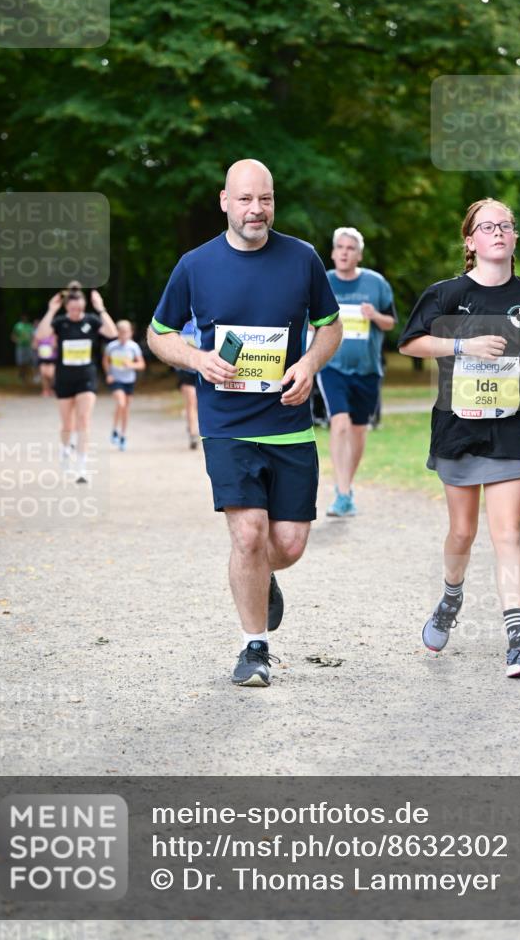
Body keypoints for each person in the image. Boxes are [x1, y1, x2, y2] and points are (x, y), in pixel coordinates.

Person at [148, 158, 341, 688]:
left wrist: (308, 364)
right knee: (249, 533)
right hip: (227, 424)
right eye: (246, 199)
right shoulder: (195, 265)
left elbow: (330, 326)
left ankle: (259, 575)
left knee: (290, 544)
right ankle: (255, 648)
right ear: (225, 201)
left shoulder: (301, 259)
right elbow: (158, 334)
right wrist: (196, 358)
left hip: (289, 425)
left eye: (266, 199)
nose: (257, 209)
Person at [398, 198, 520, 678]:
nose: (499, 232)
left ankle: (517, 640)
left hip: (508, 425)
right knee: (463, 533)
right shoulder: (445, 293)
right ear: (470, 241)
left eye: (506, 225)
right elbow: (410, 343)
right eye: (488, 226)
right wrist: (462, 344)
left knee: (507, 533)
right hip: (458, 426)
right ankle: (450, 597)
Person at [317, 227, 397, 516]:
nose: (344, 252)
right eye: (340, 247)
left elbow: (391, 322)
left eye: (350, 248)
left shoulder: (376, 283)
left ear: (359, 254)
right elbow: (310, 322)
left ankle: (346, 488)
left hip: (367, 369)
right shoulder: (322, 282)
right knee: (338, 424)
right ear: (333, 251)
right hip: (331, 366)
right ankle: (342, 492)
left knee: (358, 430)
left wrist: (374, 316)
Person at [35, 289, 117, 482]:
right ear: (66, 307)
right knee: (67, 424)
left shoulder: (91, 320)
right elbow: (40, 335)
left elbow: (112, 333)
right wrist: (51, 310)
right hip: (64, 378)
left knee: (83, 420)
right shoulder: (60, 322)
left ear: (84, 306)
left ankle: (81, 466)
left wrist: (101, 308)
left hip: (86, 377)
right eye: (71, 308)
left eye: (79, 308)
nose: (75, 312)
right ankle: (65, 451)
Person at [103, 320, 146, 451]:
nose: (123, 335)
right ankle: (115, 429)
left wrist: (131, 365)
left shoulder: (133, 347)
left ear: (130, 333)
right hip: (116, 380)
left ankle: (122, 435)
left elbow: (141, 365)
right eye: (121, 332)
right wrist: (108, 374)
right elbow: (105, 361)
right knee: (121, 403)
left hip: (129, 381)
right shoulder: (111, 346)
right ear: (117, 332)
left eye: (126, 332)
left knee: (125, 408)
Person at [175, 320, 200, 449]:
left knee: (197, 404)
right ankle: (193, 434)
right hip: (185, 371)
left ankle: (192, 425)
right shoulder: (179, 323)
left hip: (202, 370)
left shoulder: (204, 319)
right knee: (191, 401)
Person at [33, 325, 58, 397]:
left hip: (52, 358)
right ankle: (45, 390)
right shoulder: (39, 336)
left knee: (52, 375)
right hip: (42, 358)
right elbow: (34, 346)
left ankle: (53, 389)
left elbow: (56, 345)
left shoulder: (54, 335)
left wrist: (54, 344)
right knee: (43, 375)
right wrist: (36, 342)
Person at [11, 314, 34, 384]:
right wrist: (16, 340)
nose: (25, 319)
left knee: (27, 361)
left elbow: (32, 335)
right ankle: (21, 374)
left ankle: (25, 375)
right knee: (20, 362)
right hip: (20, 346)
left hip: (28, 346)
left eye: (26, 317)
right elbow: (13, 335)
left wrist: (32, 341)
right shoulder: (17, 326)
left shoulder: (30, 326)